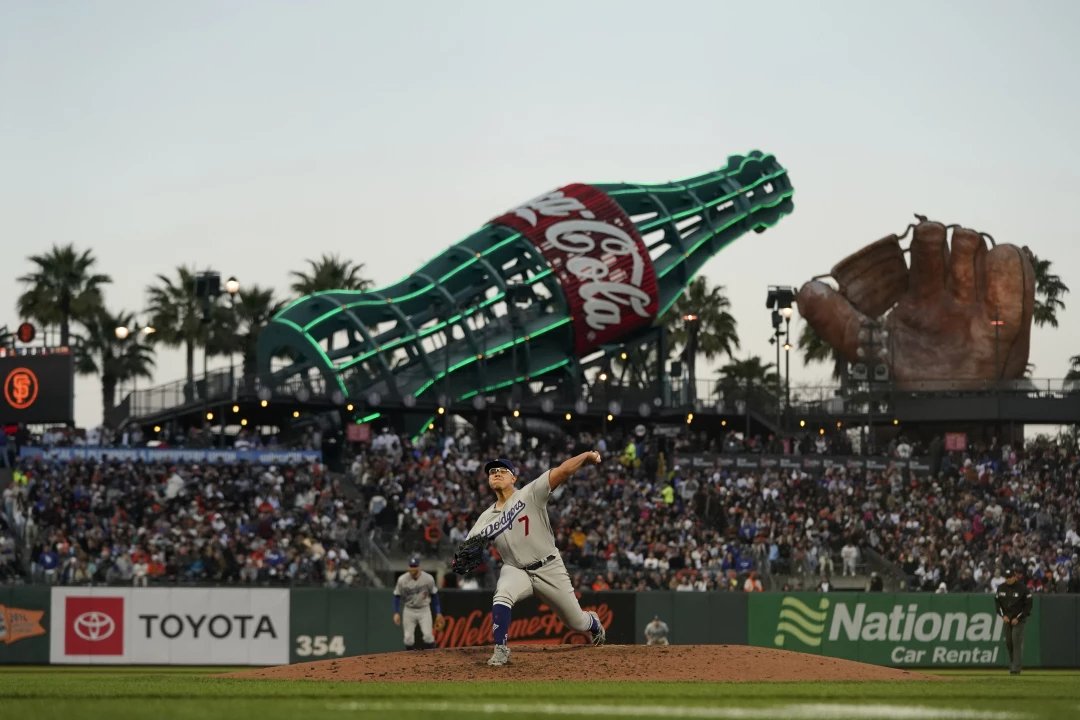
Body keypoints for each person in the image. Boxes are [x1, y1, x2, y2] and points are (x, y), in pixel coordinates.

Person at [467, 453, 606, 667]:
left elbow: (563, 470)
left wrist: (586, 456)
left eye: (502, 471)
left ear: (513, 478)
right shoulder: (485, 518)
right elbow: (467, 552)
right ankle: (501, 649)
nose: (496, 474)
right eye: (492, 472)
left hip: (548, 566)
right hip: (515, 569)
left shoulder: (530, 493)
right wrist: (466, 556)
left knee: (576, 622)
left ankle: (593, 622)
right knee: (502, 594)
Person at [392, 557, 443, 650]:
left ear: (419, 567)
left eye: (415, 566)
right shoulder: (402, 580)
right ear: (408, 567)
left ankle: (433, 659)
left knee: (428, 637)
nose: (413, 568)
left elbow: (435, 595)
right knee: (408, 639)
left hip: (424, 609)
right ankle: (411, 661)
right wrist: (396, 612)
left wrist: (438, 612)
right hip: (409, 610)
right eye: (411, 566)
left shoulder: (428, 579)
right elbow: (397, 596)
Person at [994, 564, 1033, 675]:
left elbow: (1028, 605)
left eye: (1010, 577)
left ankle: (1016, 668)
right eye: (1006, 577)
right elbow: (997, 604)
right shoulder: (1001, 588)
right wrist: (1003, 616)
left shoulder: (1023, 589)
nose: (1008, 579)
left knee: (1016, 642)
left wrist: (1019, 617)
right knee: (1009, 642)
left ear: (1015, 577)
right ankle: (1013, 663)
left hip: (1018, 620)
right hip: (1007, 619)